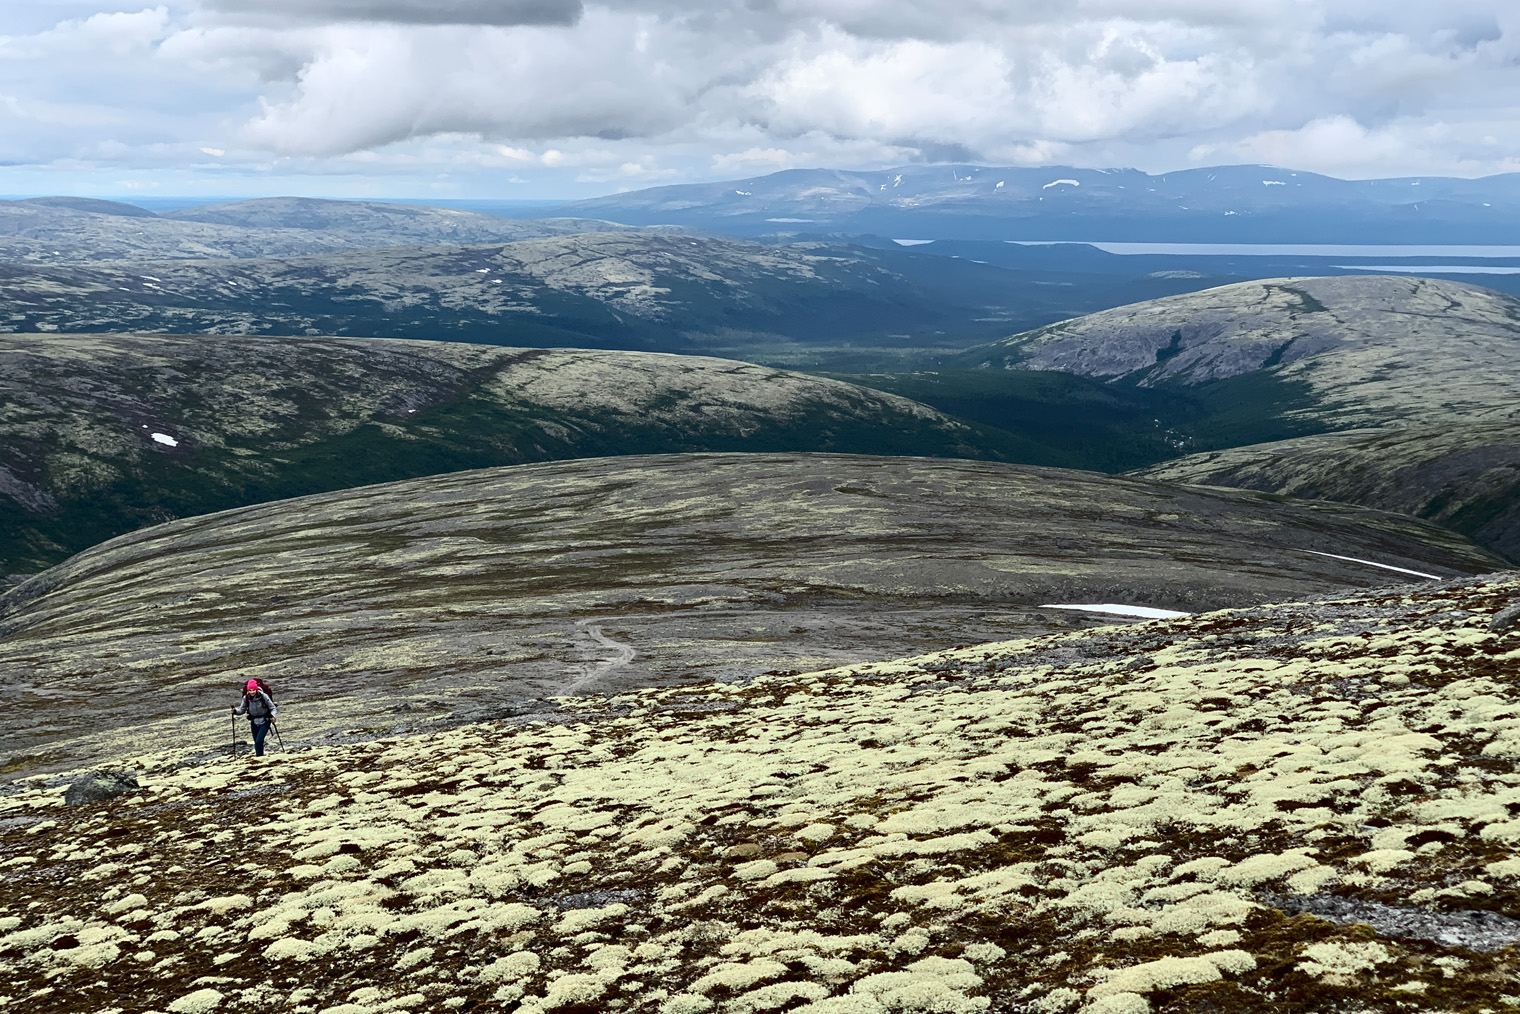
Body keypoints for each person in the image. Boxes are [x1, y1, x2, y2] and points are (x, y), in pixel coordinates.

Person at [232, 679, 277, 757]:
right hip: (254, 721)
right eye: (250, 690)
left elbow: (273, 708)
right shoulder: (246, 698)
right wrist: (235, 711)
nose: (252, 692)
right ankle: (260, 756)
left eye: (253, 690)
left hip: (265, 720)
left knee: (259, 740)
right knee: (256, 741)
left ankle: (259, 757)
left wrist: (273, 716)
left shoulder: (264, 696)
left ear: (256, 689)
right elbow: (242, 710)